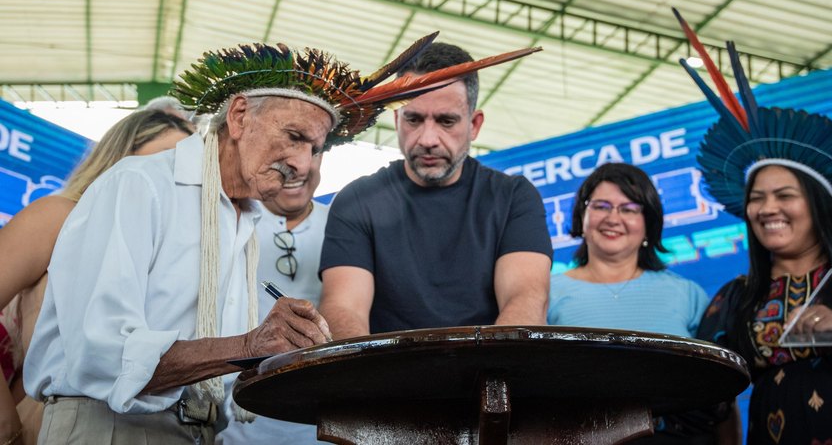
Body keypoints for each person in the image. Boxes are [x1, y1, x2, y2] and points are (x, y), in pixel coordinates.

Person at [24, 36, 535, 444]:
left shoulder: (244, 220)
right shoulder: (137, 186)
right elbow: (100, 354)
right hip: (111, 430)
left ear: (475, 124)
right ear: (240, 115)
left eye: (315, 149)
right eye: (294, 137)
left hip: (201, 432)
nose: (303, 165)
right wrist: (249, 346)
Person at [674, 9, 832, 444]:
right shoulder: (736, 297)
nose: (768, 208)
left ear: (818, 204)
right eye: (756, 198)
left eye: (785, 196)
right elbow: (706, 401)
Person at [318, 42, 553, 339]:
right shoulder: (357, 201)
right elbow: (343, 309)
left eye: (446, 121)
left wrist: (484, 375)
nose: (428, 138)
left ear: (474, 125)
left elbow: (526, 301)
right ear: (396, 120)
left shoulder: (513, 198)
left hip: (486, 375)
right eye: (414, 119)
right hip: (386, 377)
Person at [0, 109, 195, 445]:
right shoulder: (57, 216)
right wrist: (8, 427)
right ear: (117, 158)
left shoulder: (170, 252)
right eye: (160, 160)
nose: (167, 176)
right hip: (45, 425)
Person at [546, 162, 727, 443]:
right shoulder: (547, 292)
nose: (613, 218)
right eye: (601, 206)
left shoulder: (687, 294)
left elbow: (719, 394)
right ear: (582, 214)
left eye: (629, 209)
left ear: (648, 224)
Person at [217, 152, 328, 445]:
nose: (299, 169)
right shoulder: (233, 221)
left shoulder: (341, 226)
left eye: (313, 153)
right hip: (237, 421)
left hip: (317, 423)